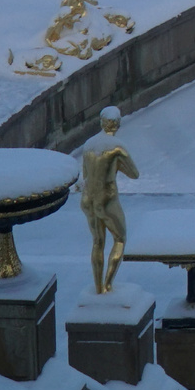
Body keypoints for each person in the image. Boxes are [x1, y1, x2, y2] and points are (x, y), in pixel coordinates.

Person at [80, 107, 139, 292]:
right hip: (107, 199)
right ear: (118, 124)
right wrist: (116, 166)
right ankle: (107, 284)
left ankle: (98, 287)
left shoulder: (89, 145)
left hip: (88, 198)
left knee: (97, 241)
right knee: (120, 239)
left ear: (101, 122)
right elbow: (134, 174)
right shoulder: (117, 147)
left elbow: (85, 173)